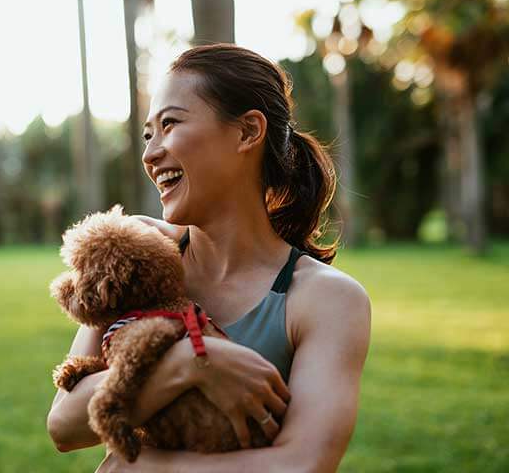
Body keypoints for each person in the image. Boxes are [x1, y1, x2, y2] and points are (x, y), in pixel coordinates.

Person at [46, 43, 371, 472]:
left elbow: (301, 464)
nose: (150, 153)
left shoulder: (327, 299)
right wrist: (190, 362)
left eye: (170, 124)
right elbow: (64, 425)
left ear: (247, 132)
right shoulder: (137, 255)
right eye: (149, 134)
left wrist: (143, 468)